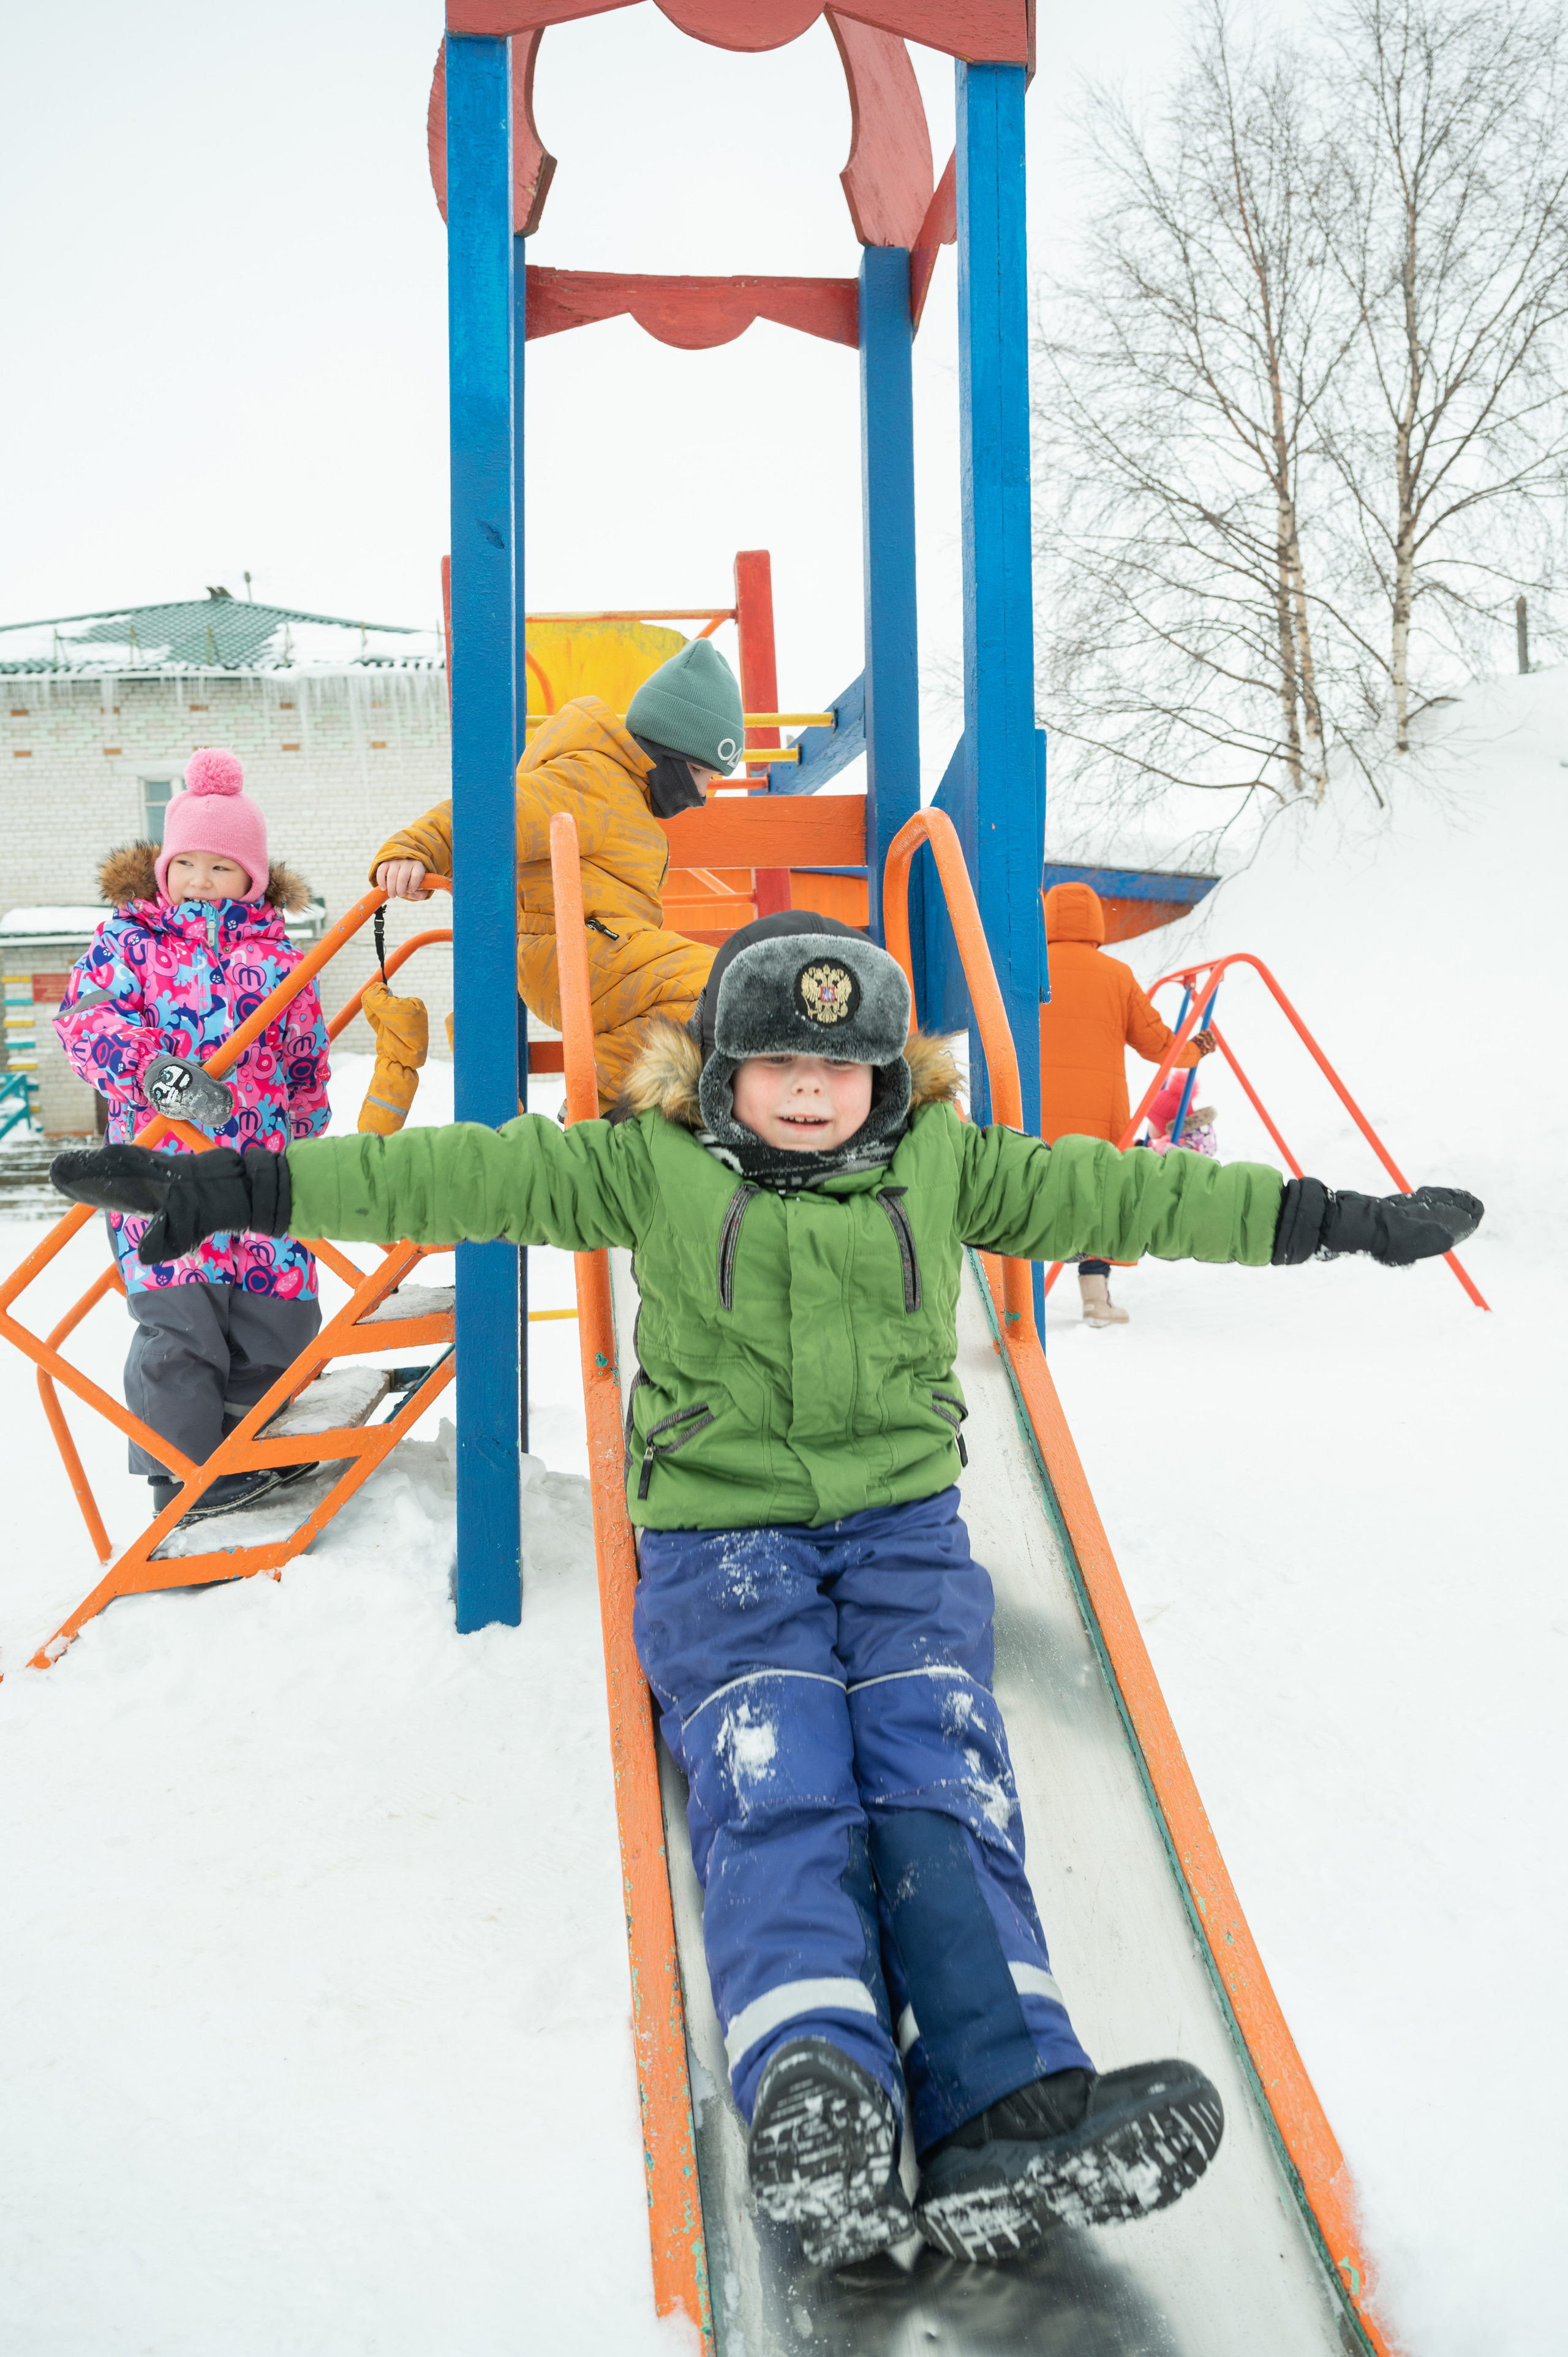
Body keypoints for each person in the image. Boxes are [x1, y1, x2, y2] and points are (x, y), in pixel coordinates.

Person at [50, 911, 1480, 2269]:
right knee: (778, 1759)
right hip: (720, 1536)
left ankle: (1005, 2099)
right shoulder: (644, 1165)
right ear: (726, 1072)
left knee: (939, 1765)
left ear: (883, 1076)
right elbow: (456, 1174)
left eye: (844, 1065)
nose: (814, 1090)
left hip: (902, 1528)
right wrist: (235, 1183)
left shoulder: (945, 1163)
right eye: (783, 1064)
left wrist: (1332, 1215)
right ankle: (819, 2082)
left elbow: (1132, 1187)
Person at [54, 748, 330, 1525]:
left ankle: (249, 1453)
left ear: (254, 878)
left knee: (275, 1315)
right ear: (163, 868)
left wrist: (306, 1125)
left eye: (223, 866)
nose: (203, 880)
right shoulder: (130, 941)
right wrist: (151, 1070)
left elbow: (304, 1055)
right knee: (181, 1326)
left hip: (257, 1169)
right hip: (162, 1170)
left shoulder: (278, 956)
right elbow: (85, 1020)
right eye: (189, 864)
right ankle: (178, 1476)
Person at [371, 636, 744, 1111]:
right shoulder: (592, 779)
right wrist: (418, 847)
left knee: (713, 996)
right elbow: (501, 811)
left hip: (600, 950)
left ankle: (605, 1101)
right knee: (727, 982)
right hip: (568, 948)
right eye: (699, 771)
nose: (703, 793)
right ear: (664, 748)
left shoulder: (629, 797)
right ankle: (602, 1100)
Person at [1040, 882, 1216, 1329]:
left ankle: (1019, 1298)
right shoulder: (1116, 975)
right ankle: (1097, 1302)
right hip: (1102, 1118)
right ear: (1097, 922)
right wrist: (1196, 1048)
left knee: (1034, 1193)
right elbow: (1159, 1045)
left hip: (1035, 1113)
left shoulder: (1028, 970)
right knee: (1101, 1198)